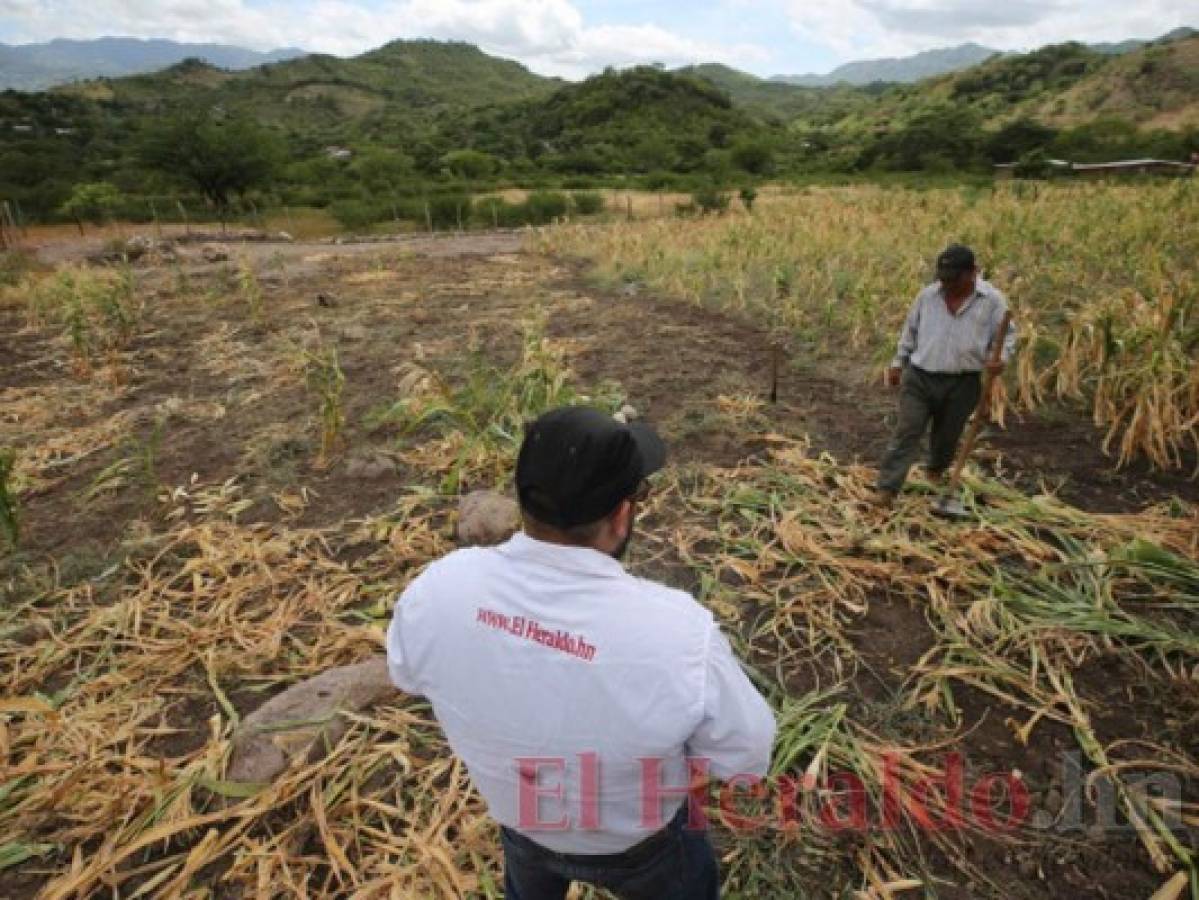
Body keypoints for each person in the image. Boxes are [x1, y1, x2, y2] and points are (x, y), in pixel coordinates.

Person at [385, 406, 776, 900]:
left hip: (524, 826)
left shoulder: (440, 589)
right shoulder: (679, 634)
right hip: (644, 845)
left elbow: (405, 674)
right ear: (621, 515)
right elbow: (746, 757)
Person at [875, 244, 1015, 505]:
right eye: (944, 279)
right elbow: (910, 330)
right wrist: (897, 363)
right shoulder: (928, 296)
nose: (947, 285)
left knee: (947, 436)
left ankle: (935, 473)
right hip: (920, 377)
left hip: (963, 382)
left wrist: (1000, 359)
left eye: (954, 280)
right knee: (907, 430)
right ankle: (887, 488)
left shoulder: (993, 301)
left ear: (972, 273)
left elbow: (1005, 337)